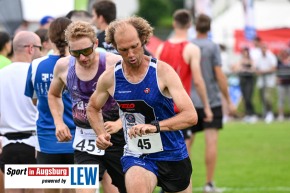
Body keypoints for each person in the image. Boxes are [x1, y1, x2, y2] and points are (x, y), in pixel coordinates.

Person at [86, 16, 197, 193]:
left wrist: (155, 127)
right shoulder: (110, 78)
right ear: (115, 48)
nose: (130, 54)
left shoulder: (163, 71)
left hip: (172, 153)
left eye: (134, 47)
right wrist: (100, 134)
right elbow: (92, 107)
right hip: (137, 153)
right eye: (123, 49)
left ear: (143, 39)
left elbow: (190, 116)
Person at [47, 21, 126, 193]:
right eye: (76, 53)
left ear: (96, 44)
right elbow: (53, 95)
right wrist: (59, 123)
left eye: (87, 51)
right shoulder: (63, 66)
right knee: (84, 190)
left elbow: (135, 99)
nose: (82, 57)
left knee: (123, 188)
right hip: (86, 138)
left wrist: (120, 123)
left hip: (116, 137)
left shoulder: (115, 63)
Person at [24, 17, 76, 193]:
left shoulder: (36, 65)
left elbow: (34, 100)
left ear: (50, 38)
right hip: (77, 135)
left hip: (47, 135)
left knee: (50, 189)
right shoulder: (80, 64)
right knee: (73, 188)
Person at [190, 14, 236, 193]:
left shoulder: (189, 45)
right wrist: (229, 100)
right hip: (212, 101)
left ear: (195, 27)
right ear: (209, 28)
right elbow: (219, 75)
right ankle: (209, 184)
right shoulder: (213, 47)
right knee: (211, 143)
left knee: (185, 145)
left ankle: (185, 184)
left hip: (191, 101)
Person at [155, 9, 212, 151]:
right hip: (180, 109)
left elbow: (154, 77)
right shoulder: (192, 49)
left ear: (174, 23)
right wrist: (206, 106)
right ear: (190, 25)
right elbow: (198, 81)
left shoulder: (161, 47)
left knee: (161, 155)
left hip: (161, 109)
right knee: (183, 157)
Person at [0, 31, 42, 193]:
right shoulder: (36, 74)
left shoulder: (1, 75)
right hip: (34, 144)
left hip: (8, 145)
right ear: (30, 48)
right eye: (38, 47)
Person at [233, 47, 257, 123]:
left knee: (248, 97)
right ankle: (247, 114)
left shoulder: (251, 60)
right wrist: (242, 68)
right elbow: (236, 68)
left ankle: (252, 113)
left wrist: (246, 69)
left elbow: (253, 69)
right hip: (242, 80)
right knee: (244, 97)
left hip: (249, 80)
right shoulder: (240, 60)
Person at [255, 43, 277, 123]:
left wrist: (264, 71)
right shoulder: (259, 57)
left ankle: (270, 113)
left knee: (268, 97)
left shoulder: (271, 56)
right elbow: (256, 68)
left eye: (264, 47)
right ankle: (265, 113)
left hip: (269, 81)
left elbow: (274, 68)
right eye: (262, 48)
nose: (263, 49)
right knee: (262, 98)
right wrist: (258, 71)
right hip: (261, 81)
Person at [276, 49, 290, 121]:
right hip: (281, 83)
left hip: (289, 83)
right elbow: (276, 70)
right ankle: (280, 115)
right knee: (281, 100)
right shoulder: (279, 61)